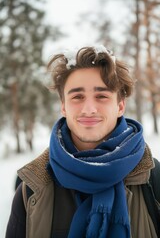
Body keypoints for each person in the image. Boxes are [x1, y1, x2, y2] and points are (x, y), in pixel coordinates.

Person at [6, 45, 160, 238]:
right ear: (63, 106)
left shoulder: (154, 179)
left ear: (120, 106)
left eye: (101, 96)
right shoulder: (31, 187)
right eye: (77, 96)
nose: (89, 109)